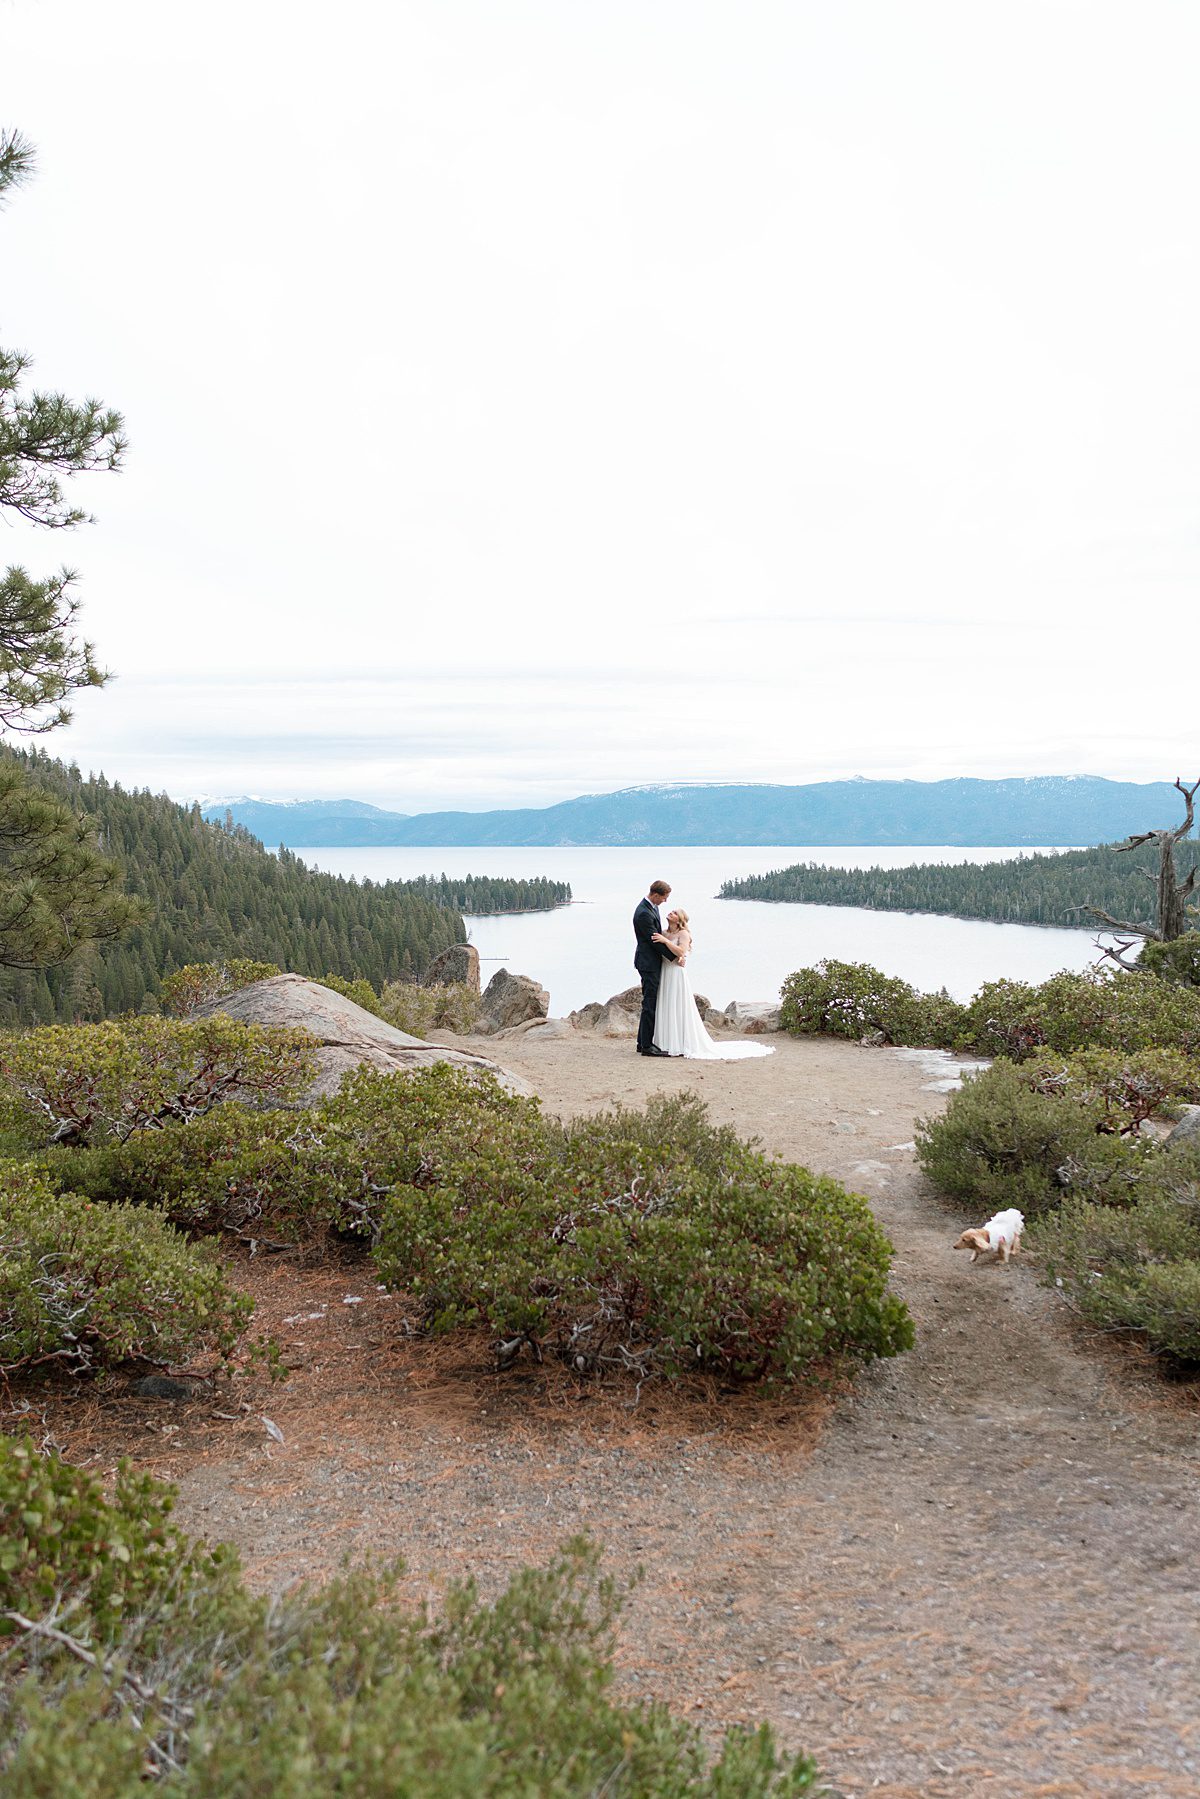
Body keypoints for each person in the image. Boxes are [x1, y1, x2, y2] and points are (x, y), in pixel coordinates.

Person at [652, 908, 773, 1060]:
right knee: (666, 1005)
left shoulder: (683, 934)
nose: (671, 913)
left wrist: (665, 942)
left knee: (677, 1006)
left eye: (675, 913)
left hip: (676, 973)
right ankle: (666, 1042)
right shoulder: (663, 932)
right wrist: (664, 941)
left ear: (680, 919)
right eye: (671, 911)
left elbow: (681, 951)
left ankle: (680, 1043)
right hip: (665, 971)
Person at [632, 880, 678, 1055]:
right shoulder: (643, 913)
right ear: (656, 895)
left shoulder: (651, 907)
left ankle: (641, 1041)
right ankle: (646, 1046)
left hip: (650, 962)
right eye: (664, 898)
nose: (665, 901)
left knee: (649, 1002)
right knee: (649, 1003)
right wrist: (676, 957)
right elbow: (655, 941)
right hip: (648, 963)